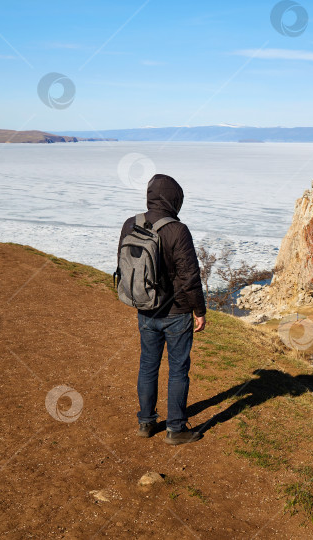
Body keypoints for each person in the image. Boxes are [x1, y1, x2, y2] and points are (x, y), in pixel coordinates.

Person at [118, 174, 207, 445]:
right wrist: (199, 311)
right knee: (178, 369)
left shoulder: (130, 224)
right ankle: (176, 429)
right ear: (173, 199)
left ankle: (146, 423)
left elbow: (124, 266)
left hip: (145, 309)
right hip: (176, 313)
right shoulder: (177, 230)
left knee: (148, 365)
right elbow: (190, 277)